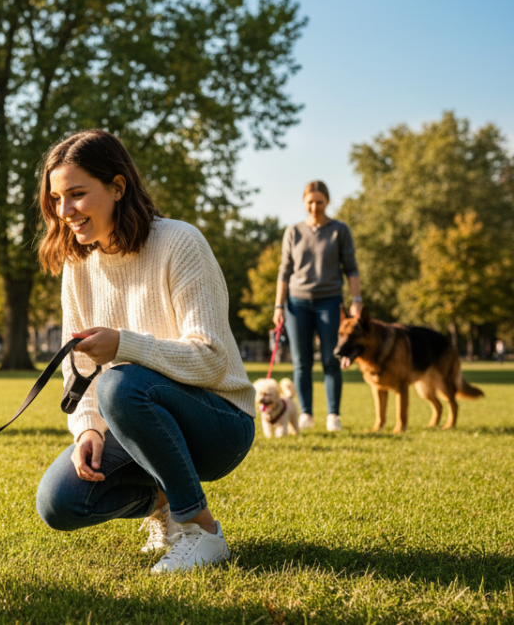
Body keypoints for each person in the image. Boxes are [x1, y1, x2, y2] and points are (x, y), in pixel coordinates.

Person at [33, 130, 256, 574]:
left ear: (117, 187)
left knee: (120, 381)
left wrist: (125, 344)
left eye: (77, 194)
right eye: (57, 199)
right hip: (134, 416)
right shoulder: (79, 266)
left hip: (220, 424)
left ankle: (201, 530)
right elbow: (79, 369)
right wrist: (88, 430)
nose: (65, 212)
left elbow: (213, 359)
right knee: (59, 502)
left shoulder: (180, 243)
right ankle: (162, 501)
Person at [273, 181, 362, 432]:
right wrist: (278, 306)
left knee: (331, 359)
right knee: (301, 363)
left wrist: (356, 300)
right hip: (296, 303)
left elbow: (351, 268)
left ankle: (333, 415)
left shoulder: (339, 230)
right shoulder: (293, 232)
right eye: (310, 202)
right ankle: (306, 415)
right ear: (304, 203)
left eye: (319, 202)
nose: (314, 207)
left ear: (327, 202)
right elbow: (284, 271)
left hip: (330, 301)